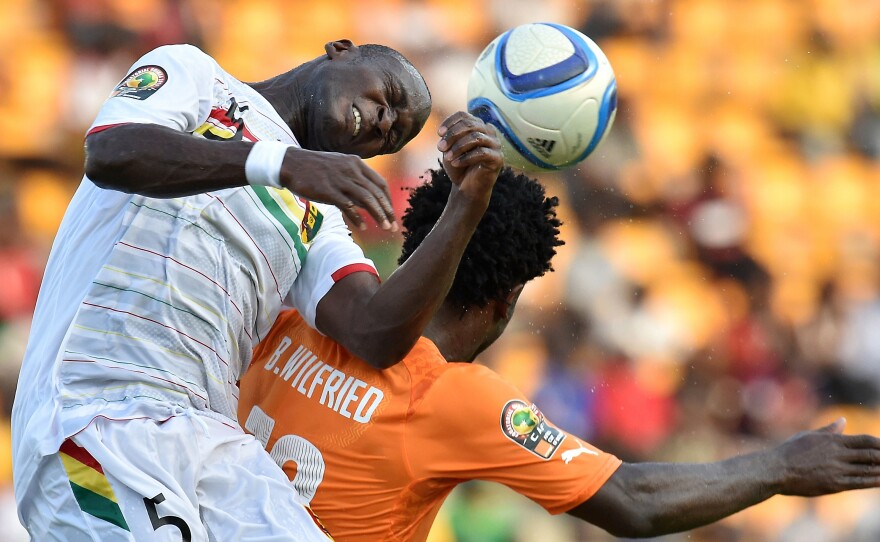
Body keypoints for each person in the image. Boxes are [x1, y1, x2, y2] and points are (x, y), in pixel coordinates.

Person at [12, 39, 504, 540]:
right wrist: (282, 163)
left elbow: (375, 332)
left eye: (393, 135)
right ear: (340, 51)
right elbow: (112, 152)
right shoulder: (197, 76)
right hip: (95, 415)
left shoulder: (317, 216)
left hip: (212, 439)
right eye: (389, 97)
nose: (383, 122)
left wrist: (466, 206)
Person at [238, 166, 880, 541]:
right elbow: (632, 500)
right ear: (507, 297)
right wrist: (784, 469)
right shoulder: (452, 397)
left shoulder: (299, 315)